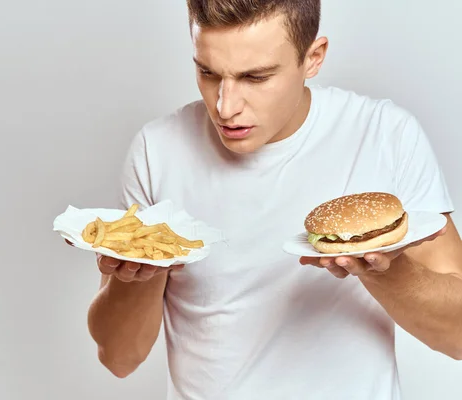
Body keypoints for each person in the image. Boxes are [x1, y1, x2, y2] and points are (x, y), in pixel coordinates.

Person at [83, 1, 462, 399]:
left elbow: (458, 336)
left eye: (256, 77)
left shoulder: (385, 135)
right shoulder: (156, 150)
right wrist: (140, 272)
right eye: (207, 72)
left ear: (313, 58)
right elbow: (119, 357)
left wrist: (385, 272)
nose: (225, 107)